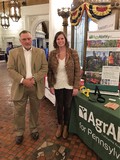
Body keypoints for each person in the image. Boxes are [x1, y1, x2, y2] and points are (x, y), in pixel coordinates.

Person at [7, 30, 48, 145]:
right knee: (19, 112)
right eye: (24, 39)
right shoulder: (13, 53)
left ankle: (34, 129)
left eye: (29, 39)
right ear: (20, 41)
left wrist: (34, 79)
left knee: (34, 110)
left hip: (35, 85)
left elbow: (44, 68)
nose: (27, 41)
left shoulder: (40, 52)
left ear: (32, 39)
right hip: (20, 86)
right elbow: (10, 69)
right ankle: (19, 132)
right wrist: (22, 80)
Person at [47, 31, 80, 139]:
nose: (60, 41)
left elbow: (77, 71)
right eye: (58, 39)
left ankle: (66, 127)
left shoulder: (73, 52)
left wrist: (76, 86)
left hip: (69, 85)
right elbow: (49, 71)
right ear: (55, 41)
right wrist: (50, 85)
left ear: (65, 40)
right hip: (57, 84)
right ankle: (60, 126)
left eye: (62, 38)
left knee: (68, 106)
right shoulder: (52, 53)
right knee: (59, 107)